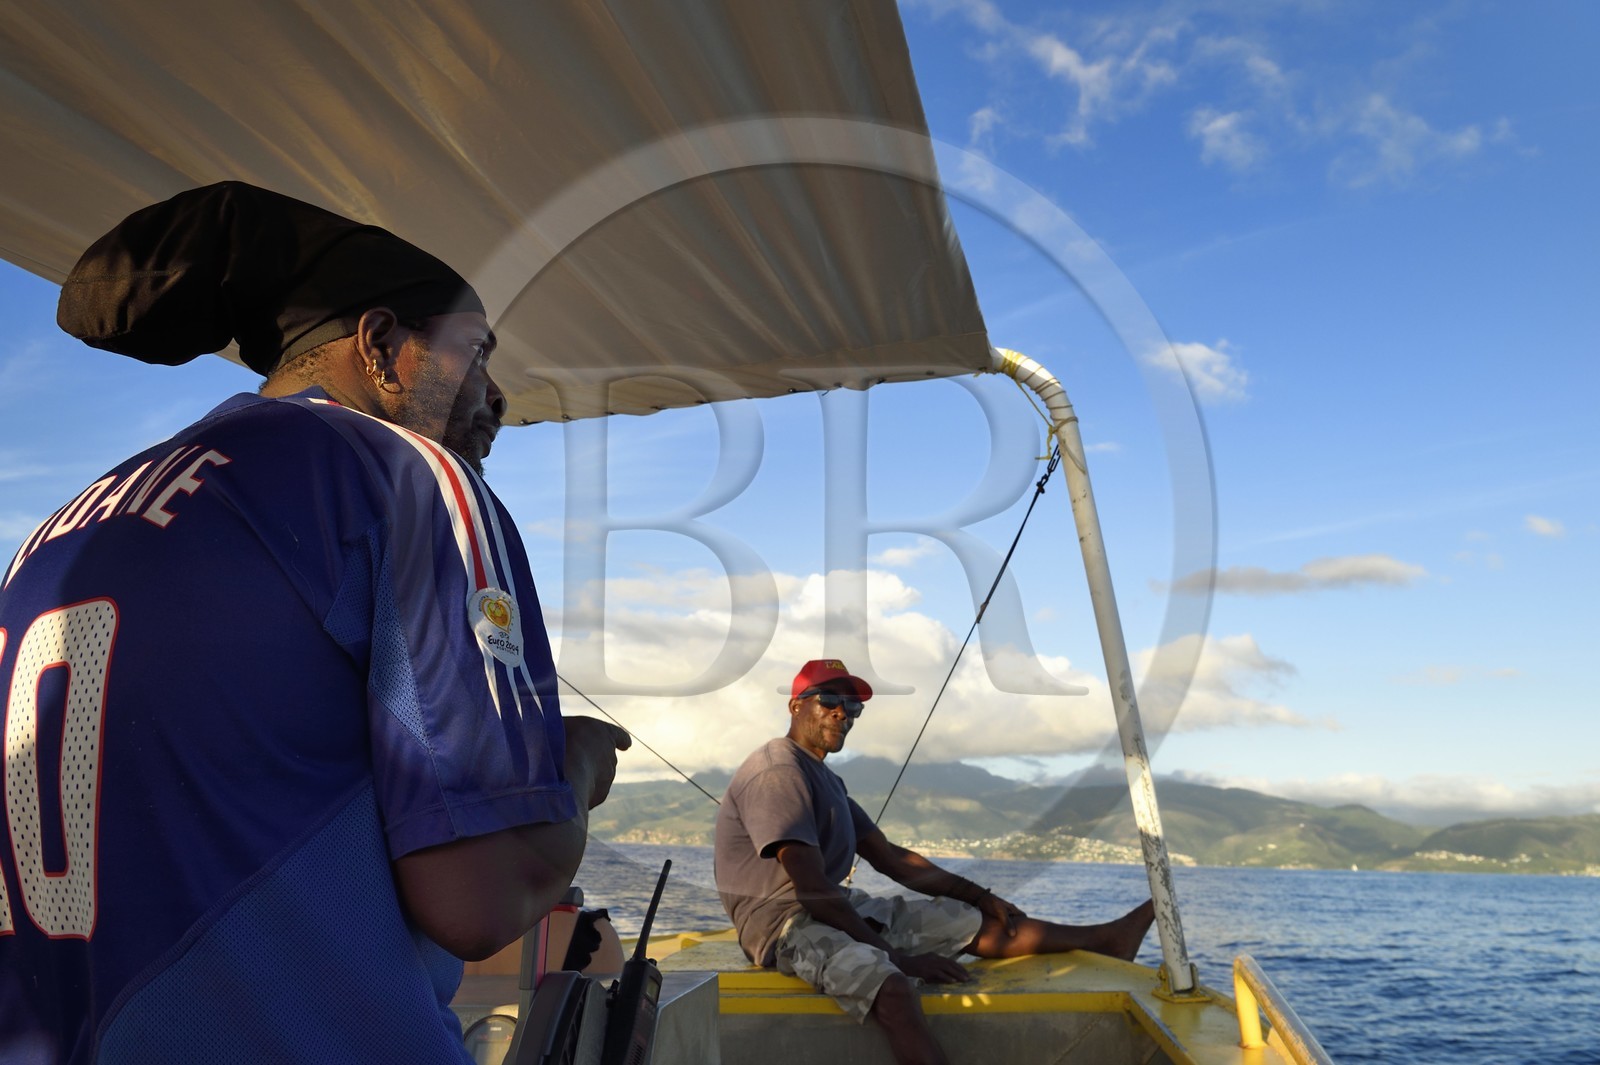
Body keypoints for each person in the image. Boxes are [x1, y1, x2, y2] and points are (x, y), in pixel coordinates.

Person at [0, 182, 629, 1064]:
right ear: (381, 347)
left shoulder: (61, 525)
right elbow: (483, 898)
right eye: (475, 354)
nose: (496, 396)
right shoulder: (408, 477)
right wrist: (575, 765)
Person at [715, 659, 1156, 1065]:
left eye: (852, 705)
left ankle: (1105, 940)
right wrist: (896, 958)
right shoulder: (777, 770)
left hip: (827, 909)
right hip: (783, 927)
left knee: (968, 920)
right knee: (893, 988)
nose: (841, 712)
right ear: (795, 707)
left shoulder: (826, 780)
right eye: (829, 699)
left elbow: (892, 859)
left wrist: (979, 896)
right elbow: (812, 889)